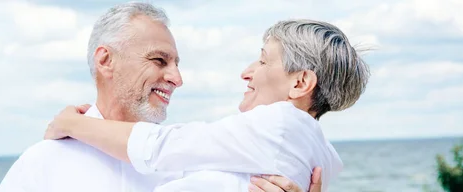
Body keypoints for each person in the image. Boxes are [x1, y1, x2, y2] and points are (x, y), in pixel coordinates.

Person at [0, 2, 315, 192]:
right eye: (159, 61)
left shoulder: (199, 167)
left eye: (177, 64)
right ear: (106, 60)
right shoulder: (42, 164)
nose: (177, 78)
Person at [45, 19, 370, 192]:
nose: (246, 72)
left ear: (299, 83)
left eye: (262, 61)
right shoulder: (322, 155)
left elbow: (157, 147)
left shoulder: (279, 124)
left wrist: (71, 123)